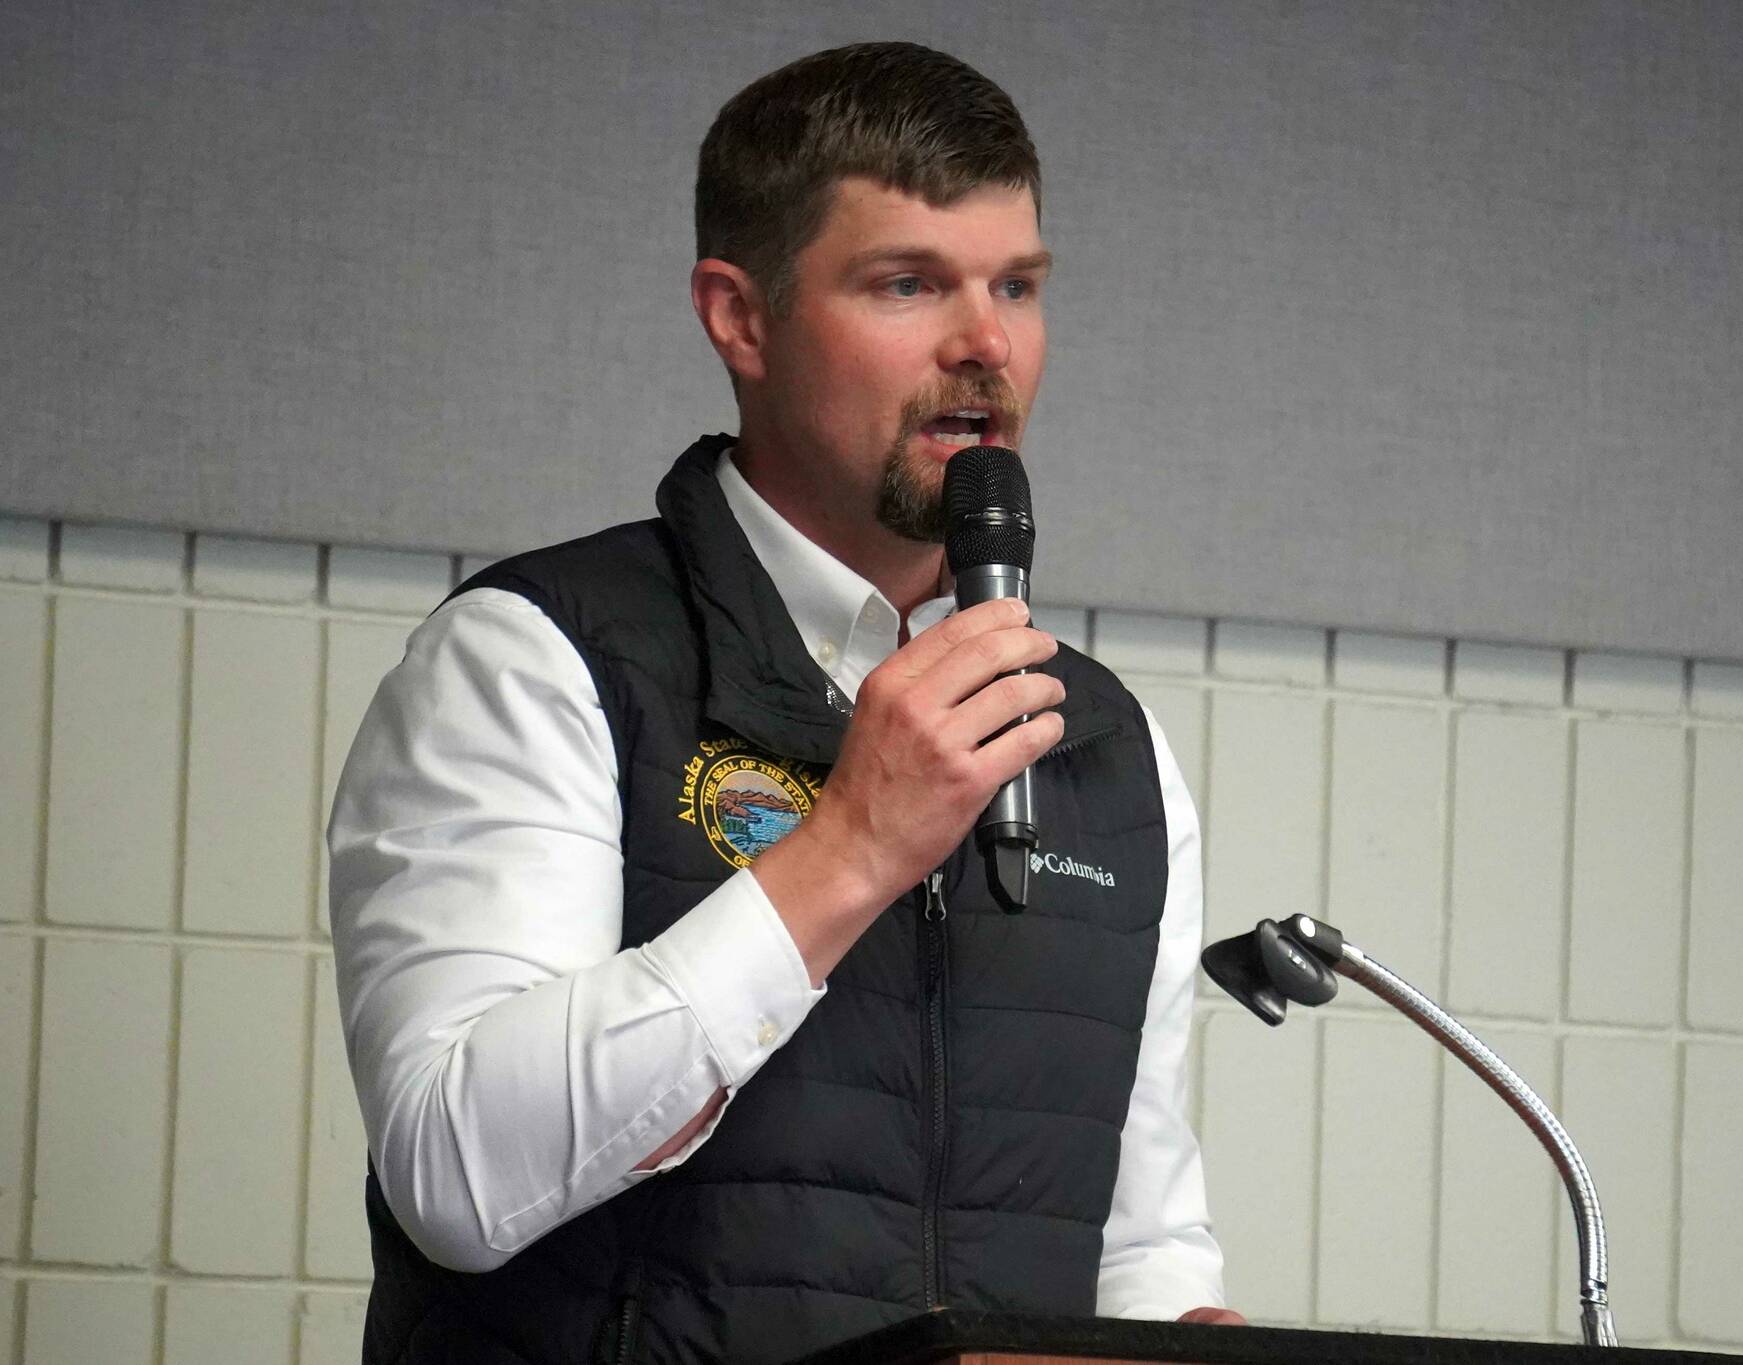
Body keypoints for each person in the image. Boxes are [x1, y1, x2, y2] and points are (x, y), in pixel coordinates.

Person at [328, 40, 1243, 1365]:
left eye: (1019, 286)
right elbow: (458, 1174)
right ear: (739, 318)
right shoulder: (536, 661)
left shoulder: (1107, 748)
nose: (987, 342)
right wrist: (853, 846)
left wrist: (1187, 1334)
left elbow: (1138, 1232)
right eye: (908, 283)